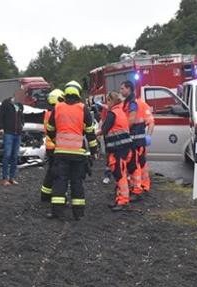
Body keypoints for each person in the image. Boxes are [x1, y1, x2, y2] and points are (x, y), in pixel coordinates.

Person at [46, 85, 98, 221]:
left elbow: (50, 128)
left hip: (61, 153)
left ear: (65, 95)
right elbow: (90, 133)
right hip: (78, 154)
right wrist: (94, 151)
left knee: (59, 182)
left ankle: (57, 212)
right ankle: (78, 214)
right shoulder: (83, 109)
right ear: (78, 95)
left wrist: (57, 141)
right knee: (77, 182)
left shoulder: (58, 107)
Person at [119, 80, 155, 199]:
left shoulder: (137, 104)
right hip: (134, 140)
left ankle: (140, 187)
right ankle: (140, 186)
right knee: (138, 165)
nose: (121, 91)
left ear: (129, 89)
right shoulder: (127, 104)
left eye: (122, 88)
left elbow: (150, 122)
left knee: (138, 165)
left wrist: (148, 136)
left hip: (137, 140)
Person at [100, 91, 132, 211]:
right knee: (120, 173)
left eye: (107, 100)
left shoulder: (112, 113)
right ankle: (120, 198)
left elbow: (104, 129)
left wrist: (94, 133)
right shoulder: (120, 112)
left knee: (119, 174)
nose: (106, 103)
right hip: (123, 147)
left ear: (111, 101)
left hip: (118, 148)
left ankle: (123, 200)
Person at [40, 88, 64, 202]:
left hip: (49, 146)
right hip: (55, 146)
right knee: (57, 172)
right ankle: (55, 195)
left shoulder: (47, 112)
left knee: (50, 171)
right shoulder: (55, 113)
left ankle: (45, 194)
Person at [0, 95, 24, 186]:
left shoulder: (20, 105)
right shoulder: (6, 103)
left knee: (15, 156)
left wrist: (22, 124)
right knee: (7, 155)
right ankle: (4, 178)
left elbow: (21, 116)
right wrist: (1, 128)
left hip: (18, 134)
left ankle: (12, 178)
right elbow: (0, 116)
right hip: (8, 133)